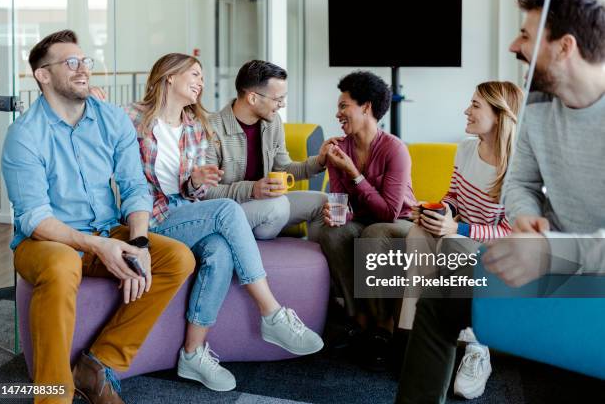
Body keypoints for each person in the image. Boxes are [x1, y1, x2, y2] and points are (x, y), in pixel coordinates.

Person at [397, 0, 605, 403]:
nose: (513, 45)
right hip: (551, 262)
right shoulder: (539, 105)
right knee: (440, 298)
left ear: (565, 48)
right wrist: (526, 217)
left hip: (591, 272)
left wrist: (550, 250)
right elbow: (521, 184)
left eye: (526, 35)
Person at [2, 30, 195, 404]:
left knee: (176, 257)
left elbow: (134, 187)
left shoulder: (111, 119)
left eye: (84, 61)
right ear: (43, 75)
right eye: (70, 63)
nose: (82, 70)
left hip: (108, 231)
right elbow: (34, 217)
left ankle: (98, 364)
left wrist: (137, 241)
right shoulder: (24, 135)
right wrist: (97, 245)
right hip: (45, 241)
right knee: (61, 264)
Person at [125, 53, 324, 392]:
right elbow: (132, 177)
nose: (202, 82)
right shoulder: (133, 117)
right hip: (152, 217)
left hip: (187, 210)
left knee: (219, 252)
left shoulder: (194, 125)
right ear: (170, 77)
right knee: (227, 212)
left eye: (202, 76)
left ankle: (192, 353)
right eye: (195, 74)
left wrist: (194, 181)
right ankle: (272, 313)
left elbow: (193, 190)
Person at [398, 81, 522, 399]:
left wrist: (459, 230)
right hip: (460, 233)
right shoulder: (465, 149)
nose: (466, 110)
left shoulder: (518, 167)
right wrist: (437, 211)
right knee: (418, 232)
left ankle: (478, 349)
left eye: (475, 105)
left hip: (497, 246)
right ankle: (415, 340)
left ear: (499, 115)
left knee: (454, 246)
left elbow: (511, 232)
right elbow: (454, 196)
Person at [318, 71, 417, 370]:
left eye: (344, 105)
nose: (338, 113)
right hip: (363, 219)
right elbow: (340, 199)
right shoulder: (340, 149)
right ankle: (357, 318)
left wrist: (354, 174)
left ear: (366, 107)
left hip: (400, 221)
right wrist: (338, 214)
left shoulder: (394, 149)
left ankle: (384, 326)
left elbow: (389, 211)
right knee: (330, 233)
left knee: (374, 234)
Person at [205, 60, 337, 240]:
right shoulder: (211, 129)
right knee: (278, 205)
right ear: (252, 98)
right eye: (278, 99)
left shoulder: (272, 122)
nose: (282, 104)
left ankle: (318, 259)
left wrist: (320, 161)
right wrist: (252, 189)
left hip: (268, 205)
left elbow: (284, 169)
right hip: (230, 212)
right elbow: (205, 191)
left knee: (323, 201)